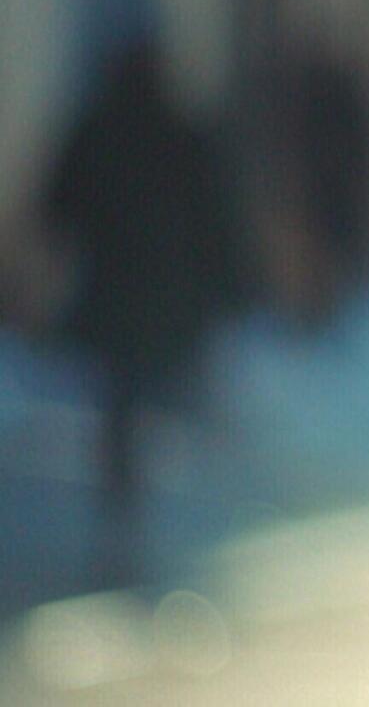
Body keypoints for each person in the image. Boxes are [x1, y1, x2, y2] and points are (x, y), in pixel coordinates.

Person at [38, 33, 256, 585]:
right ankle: (161, 518)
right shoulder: (179, 134)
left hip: (119, 298)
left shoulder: (103, 129)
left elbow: (58, 204)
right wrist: (232, 288)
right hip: (168, 302)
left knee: (125, 409)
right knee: (167, 402)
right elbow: (218, 220)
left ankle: (133, 516)